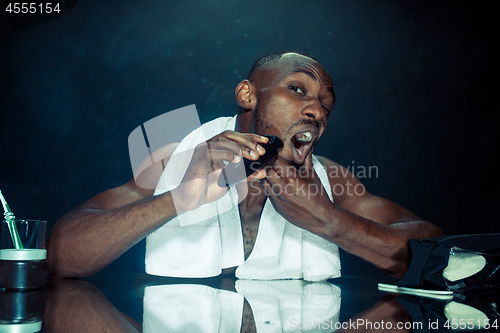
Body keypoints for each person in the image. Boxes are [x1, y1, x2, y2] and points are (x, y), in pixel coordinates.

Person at [46, 51, 444, 279]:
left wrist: (329, 221)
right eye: (297, 89)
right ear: (247, 95)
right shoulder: (177, 158)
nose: (316, 110)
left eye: (326, 102)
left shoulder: (330, 180)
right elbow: (61, 255)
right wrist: (176, 200)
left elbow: (439, 250)